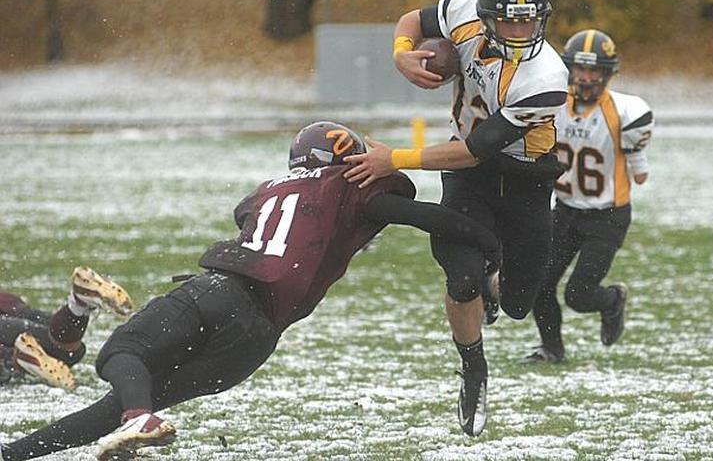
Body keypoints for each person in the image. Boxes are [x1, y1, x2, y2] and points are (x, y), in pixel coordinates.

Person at [0, 122, 501, 461]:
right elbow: (436, 218)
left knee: (118, 356)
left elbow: (254, 215)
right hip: (256, 341)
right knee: (130, 396)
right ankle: (18, 452)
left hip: (222, 291)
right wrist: (491, 256)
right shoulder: (359, 197)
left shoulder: (266, 191)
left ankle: (138, 415)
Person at [344, 0, 568, 437]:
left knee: (514, 303)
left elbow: (475, 148)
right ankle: (474, 370)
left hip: (525, 181)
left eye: (529, 18)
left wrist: (396, 160)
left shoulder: (546, 76)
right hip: (469, 181)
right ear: (484, 14)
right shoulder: (465, 4)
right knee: (461, 278)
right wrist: (401, 51)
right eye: (508, 18)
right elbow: (414, 21)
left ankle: (492, 270)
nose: (520, 28)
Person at [526, 29, 653, 363]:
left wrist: (638, 162)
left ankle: (612, 301)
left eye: (593, 70)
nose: (584, 77)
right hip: (566, 209)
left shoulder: (626, 112)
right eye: (579, 70)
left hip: (607, 215)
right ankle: (551, 349)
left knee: (579, 295)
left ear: (607, 73)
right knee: (539, 284)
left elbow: (639, 169)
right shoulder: (553, 104)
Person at [0, 267, 133, 390]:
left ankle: (17, 358)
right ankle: (78, 305)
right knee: (68, 347)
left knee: (63, 350)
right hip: (10, 306)